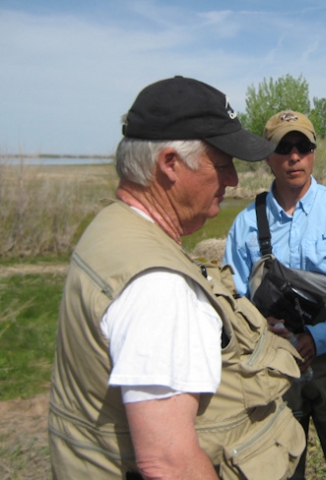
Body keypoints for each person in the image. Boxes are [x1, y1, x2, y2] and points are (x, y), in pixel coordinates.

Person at [48, 76, 305, 480]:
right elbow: (168, 462)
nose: (234, 180)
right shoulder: (159, 287)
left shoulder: (113, 228)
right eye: (222, 165)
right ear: (170, 164)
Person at [224, 110, 326, 479]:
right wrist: (263, 333)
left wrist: (317, 339)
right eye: (283, 146)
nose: (293, 156)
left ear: (313, 152)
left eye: (303, 146)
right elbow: (230, 300)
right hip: (269, 373)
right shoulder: (246, 222)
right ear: (267, 155)